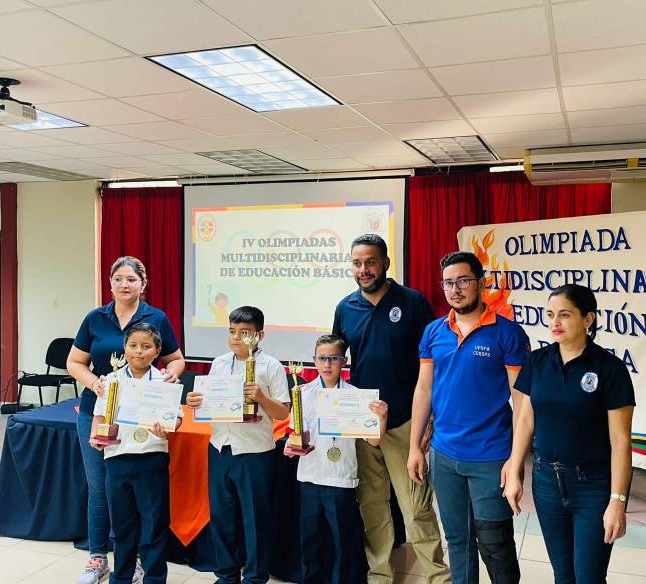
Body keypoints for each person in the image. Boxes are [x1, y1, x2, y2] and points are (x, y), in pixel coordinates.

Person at [332, 234, 449, 584]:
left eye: (370, 262)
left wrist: (429, 419)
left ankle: (437, 578)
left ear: (385, 263)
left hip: (405, 423)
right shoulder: (345, 308)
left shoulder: (413, 303)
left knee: (416, 510)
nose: (363, 269)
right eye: (357, 263)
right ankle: (380, 575)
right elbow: (335, 362)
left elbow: (435, 365)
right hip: (364, 424)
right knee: (372, 506)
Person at [408, 251, 529, 584]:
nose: (455, 289)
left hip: (491, 457)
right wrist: (415, 448)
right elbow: (423, 390)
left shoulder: (507, 334)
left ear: (480, 282)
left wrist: (515, 461)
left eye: (463, 280)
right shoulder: (434, 332)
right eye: (448, 282)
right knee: (458, 541)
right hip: (444, 455)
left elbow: (522, 403)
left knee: (495, 545)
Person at [503, 284, 635, 584]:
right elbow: (524, 420)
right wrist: (514, 471)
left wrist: (618, 501)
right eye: (550, 315)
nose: (554, 323)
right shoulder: (537, 362)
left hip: (593, 487)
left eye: (564, 315)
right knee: (563, 575)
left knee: (589, 576)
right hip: (547, 483)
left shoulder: (610, 369)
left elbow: (621, 441)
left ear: (588, 319)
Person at [67, 256, 185, 584]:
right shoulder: (95, 318)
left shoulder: (156, 318)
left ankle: (133, 561)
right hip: (100, 410)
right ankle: (97, 558)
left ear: (142, 285)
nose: (124, 284)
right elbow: (74, 362)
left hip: (144, 416)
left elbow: (176, 360)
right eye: (118, 279)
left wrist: (169, 380)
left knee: (137, 497)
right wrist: (96, 383)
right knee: (101, 488)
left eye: (131, 279)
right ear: (110, 283)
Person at [186, 306, 290, 584]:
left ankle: (255, 576)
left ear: (260, 335)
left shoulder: (271, 366)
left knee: (256, 520)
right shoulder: (219, 363)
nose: (236, 338)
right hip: (221, 447)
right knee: (223, 517)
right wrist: (197, 402)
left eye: (244, 333)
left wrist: (262, 398)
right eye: (232, 331)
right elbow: (213, 403)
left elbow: (283, 412)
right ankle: (227, 574)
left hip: (255, 453)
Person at [90, 323, 181, 584]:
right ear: (124, 348)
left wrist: (168, 429)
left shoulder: (165, 381)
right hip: (117, 460)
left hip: (151, 460)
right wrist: (96, 435)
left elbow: (175, 420)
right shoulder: (111, 380)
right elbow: (99, 415)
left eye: (146, 346)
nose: (138, 352)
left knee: (153, 528)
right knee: (122, 529)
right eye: (133, 345)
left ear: (157, 351)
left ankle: (154, 579)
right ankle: (120, 579)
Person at [295, 334, 388, 584]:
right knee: (310, 541)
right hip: (310, 476)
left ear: (343, 361)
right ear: (314, 361)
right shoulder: (302, 394)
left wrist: (381, 418)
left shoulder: (357, 396)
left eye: (333, 359)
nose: (327, 364)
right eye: (322, 358)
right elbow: (298, 433)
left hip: (341, 479)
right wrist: (294, 444)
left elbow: (373, 441)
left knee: (343, 543)